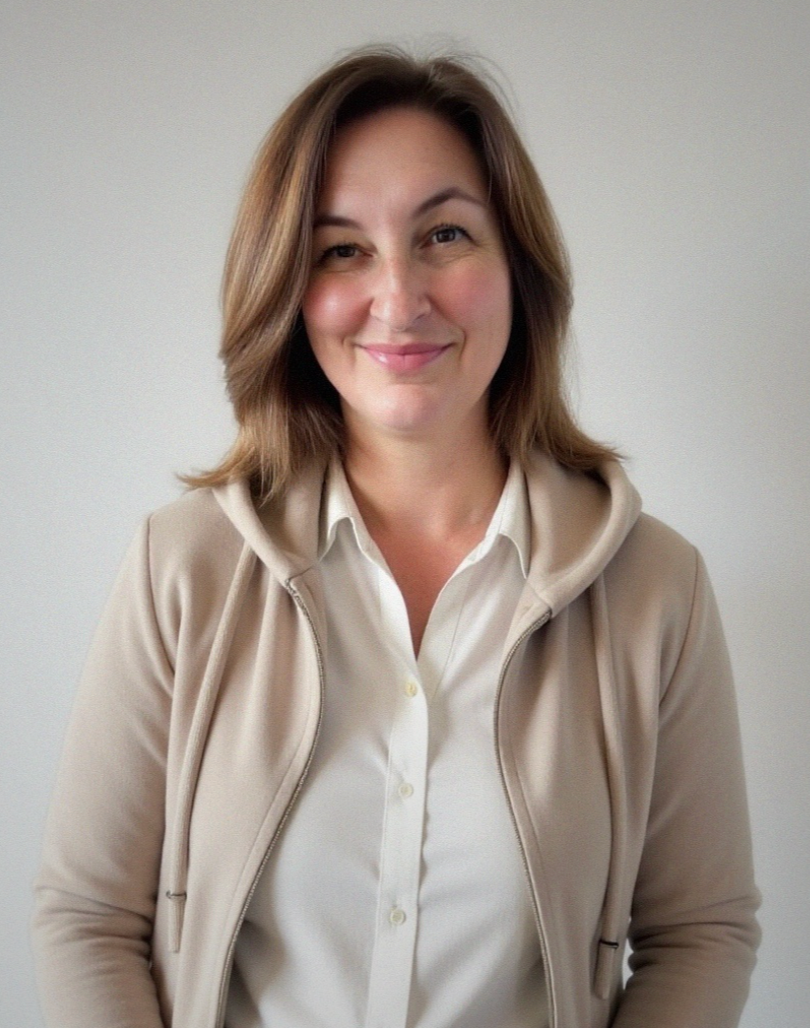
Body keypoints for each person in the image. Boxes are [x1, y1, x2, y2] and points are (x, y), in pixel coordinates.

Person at [32, 45, 760, 1028]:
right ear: (289, 290)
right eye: (341, 249)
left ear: (520, 270)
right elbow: (88, 918)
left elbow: (700, 931)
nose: (399, 296)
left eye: (445, 233)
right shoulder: (183, 566)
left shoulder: (655, 587)